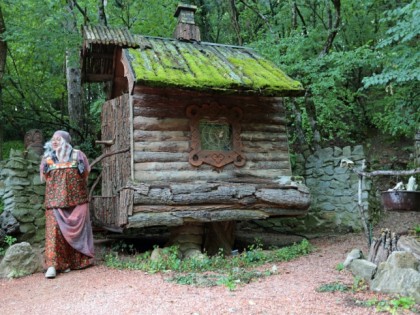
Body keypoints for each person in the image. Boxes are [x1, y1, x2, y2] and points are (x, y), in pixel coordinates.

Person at [40, 130, 94, 279]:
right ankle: (52, 266)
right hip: (54, 202)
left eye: (58, 139)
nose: (54, 142)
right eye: (52, 139)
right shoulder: (47, 158)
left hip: (77, 201)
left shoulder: (78, 155)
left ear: (65, 141)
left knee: (78, 231)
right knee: (53, 233)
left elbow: (85, 174)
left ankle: (76, 262)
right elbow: (44, 176)